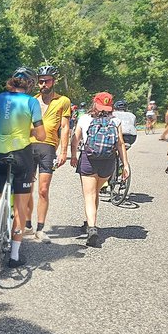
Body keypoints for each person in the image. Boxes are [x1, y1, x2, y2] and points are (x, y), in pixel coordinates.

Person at [0, 67, 45, 268]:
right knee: (21, 208)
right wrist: (24, 130)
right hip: (22, 156)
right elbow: (41, 136)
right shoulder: (31, 102)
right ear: (29, 85)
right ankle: (14, 255)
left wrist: (2, 132)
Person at [70, 92, 129, 247]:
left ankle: (91, 228)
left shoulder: (84, 119)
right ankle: (91, 222)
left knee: (89, 195)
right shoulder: (116, 120)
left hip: (89, 159)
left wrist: (73, 156)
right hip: (108, 162)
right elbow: (120, 144)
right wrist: (126, 165)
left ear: (94, 104)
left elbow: (75, 139)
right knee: (95, 192)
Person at [23, 65, 71, 243]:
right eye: (41, 81)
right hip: (29, 146)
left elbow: (65, 127)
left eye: (47, 81)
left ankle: (40, 229)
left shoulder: (63, 101)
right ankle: (27, 226)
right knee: (26, 188)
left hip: (48, 147)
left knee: (43, 190)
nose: (43, 84)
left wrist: (64, 151)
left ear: (53, 81)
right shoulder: (32, 101)